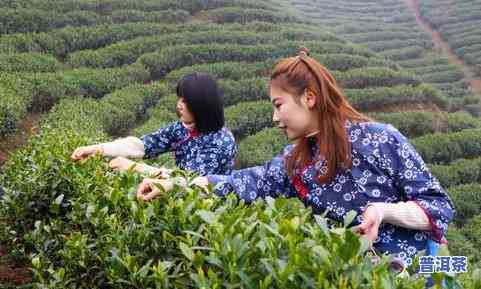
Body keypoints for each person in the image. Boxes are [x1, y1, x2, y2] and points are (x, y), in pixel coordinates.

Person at [136, 48, 455, 271]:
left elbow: (439, 206)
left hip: (422, 273)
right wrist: (177, 185)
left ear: (309, 98)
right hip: (360, 275)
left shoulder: (381, 138)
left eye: (279, 105)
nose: (275, 118)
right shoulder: (296, 161)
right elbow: (243, 183)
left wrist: (383, 212)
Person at [71, 72, 237, 177]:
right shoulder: (183, 128)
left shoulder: (221, 142)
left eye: (186, 101)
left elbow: (188, 181)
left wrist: (133, 167)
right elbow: (143, 145)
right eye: (179, 99)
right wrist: (97, 149)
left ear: (202, 104)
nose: (179, 105)